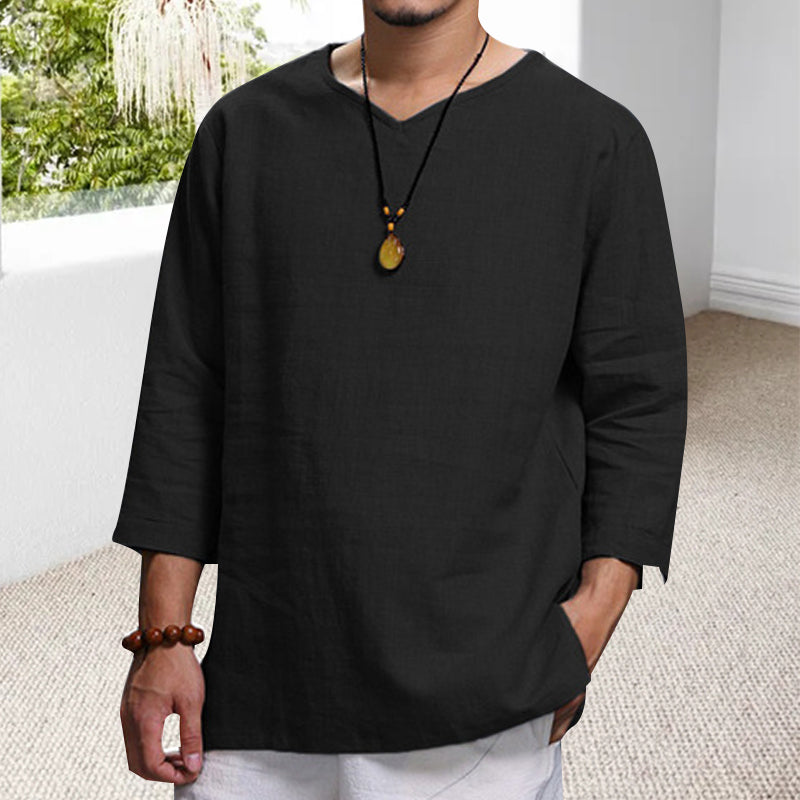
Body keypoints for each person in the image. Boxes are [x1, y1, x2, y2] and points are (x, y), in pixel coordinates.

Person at [113, 2, 688, 798]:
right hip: (259, 699)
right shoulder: (243, 134)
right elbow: (186, 388)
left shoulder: (595, 142)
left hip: (487, 694)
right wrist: (163, 638)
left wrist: (591, 618)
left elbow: (638, 400)